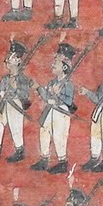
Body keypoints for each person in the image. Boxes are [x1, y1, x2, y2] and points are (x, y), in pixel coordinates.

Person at [0, 40, 33, 164]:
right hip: (4, 104)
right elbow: (0, 90)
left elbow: (25, 95)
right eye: (9, 56)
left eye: (12, 57)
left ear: (18, 60)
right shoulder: (5, 78)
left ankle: (19, 151)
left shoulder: (22, 78)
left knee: (15, 127)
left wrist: (16, 88)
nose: (8, 59)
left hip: (15, 104)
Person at [33, 42, 79, 175]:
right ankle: (44, 159)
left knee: (59, 135)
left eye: (56, 63)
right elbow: (47, 97)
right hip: (50, 110)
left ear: (64, 67)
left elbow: (68, 101)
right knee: (44, 131)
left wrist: (58, 95)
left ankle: (62, 162)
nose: (52, 64)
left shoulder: (68, 84)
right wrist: (39, 88)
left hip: (60, 112)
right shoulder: (52, 82)